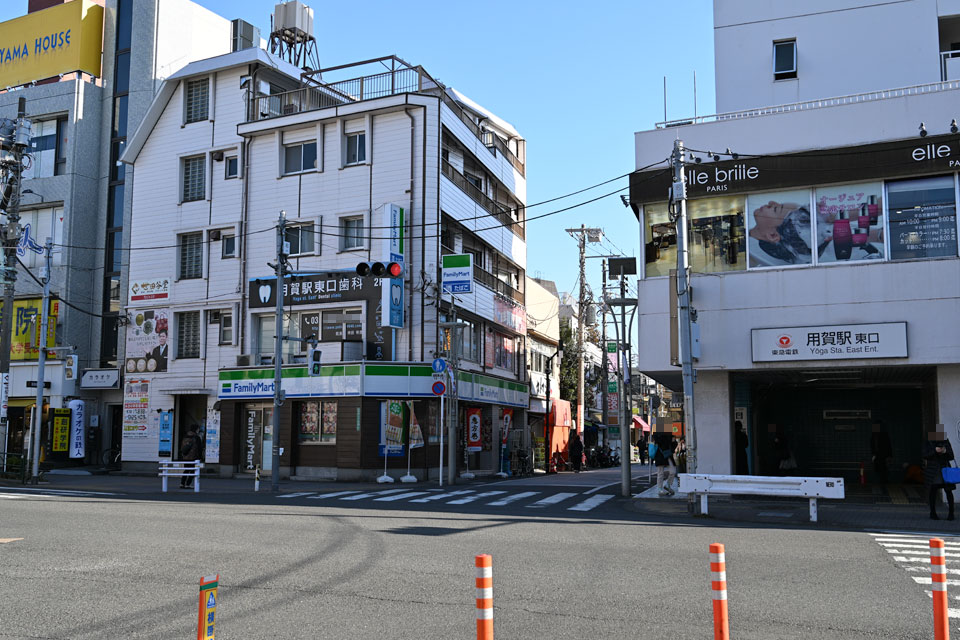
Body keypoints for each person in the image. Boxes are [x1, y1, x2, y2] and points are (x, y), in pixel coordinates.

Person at [923, 431, 955, 521]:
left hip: (945, 469)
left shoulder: (945, 441)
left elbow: (951, 456)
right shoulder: (928, 442)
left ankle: (951, 513)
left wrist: (944, 451)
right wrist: (935, 451)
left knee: (948, 491)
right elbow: (925, 455)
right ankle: (932, 513)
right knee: (932, 492)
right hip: (933, 471)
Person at [653, 431, 676, 496]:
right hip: (660, 455)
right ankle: (660, 489)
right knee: (660, 473)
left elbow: (672, 444)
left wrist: (673, 442)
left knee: (673, 471)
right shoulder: (657, 433)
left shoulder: (669, 432)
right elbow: (658, 441)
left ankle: (667, 485)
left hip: (668, 454)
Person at [870, 421, 893, 485]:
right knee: (881, 468)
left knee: (882, 468)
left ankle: (883, 480)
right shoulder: (877, 435)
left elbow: (887, 445)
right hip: (881, 455)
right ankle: (883, 480)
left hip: (881, 455)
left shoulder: (875, 435)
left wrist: (874, 454)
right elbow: (888, 445)